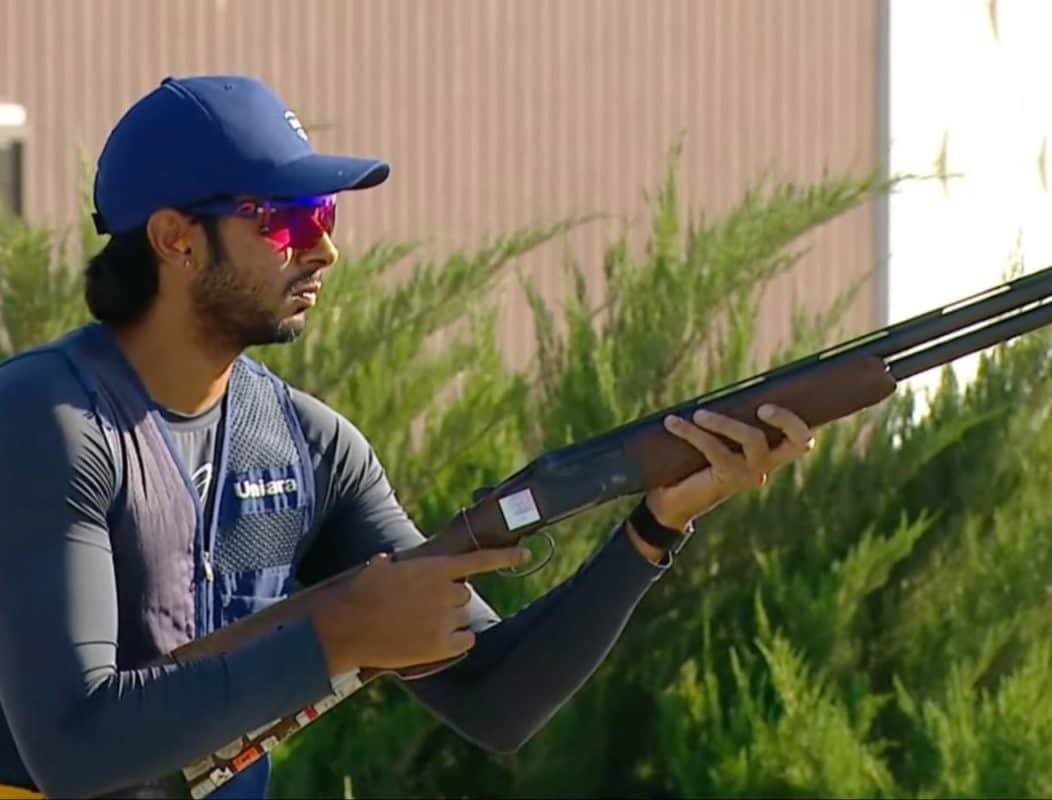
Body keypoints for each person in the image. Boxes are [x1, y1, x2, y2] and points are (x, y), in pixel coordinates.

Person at [0, 75, 816, 800]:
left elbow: (495, 700)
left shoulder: (309, 443)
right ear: (176, 238)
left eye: (323, 213)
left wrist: (655, 526)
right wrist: (339, 633)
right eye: (286, 220)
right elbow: (75, 751)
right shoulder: (47, 419)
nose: (326, 247)